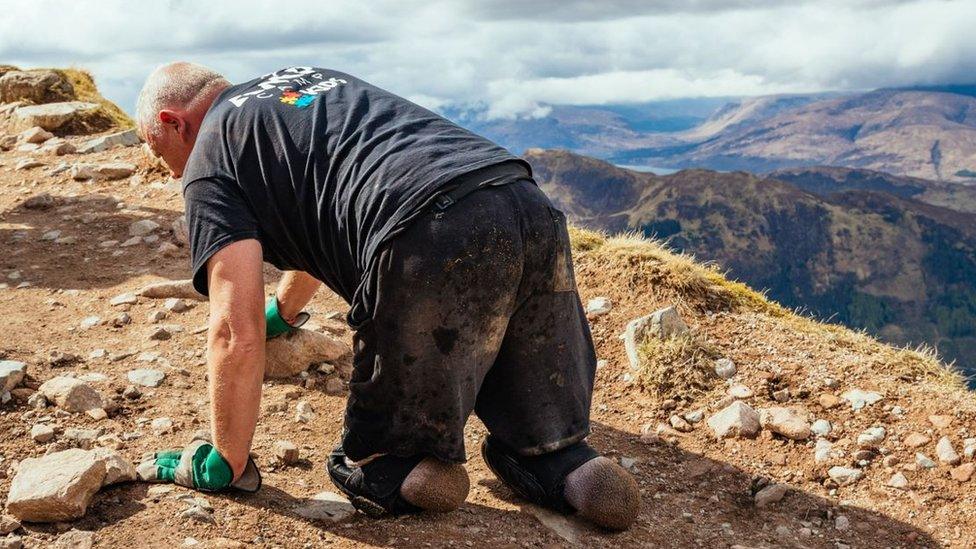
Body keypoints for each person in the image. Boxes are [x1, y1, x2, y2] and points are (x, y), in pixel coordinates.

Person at [133, 62, 640, 529]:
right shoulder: (302, 81)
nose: (172, 173)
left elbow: (231, 329)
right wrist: (284, 312)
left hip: (427, 234)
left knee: (372, 461)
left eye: (159, 154)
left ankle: (410, 468)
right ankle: (571, 467)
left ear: (174, 122)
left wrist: (228, 458)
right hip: (523, 203)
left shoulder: (209, 158)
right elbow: (319, 216)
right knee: (544, 434)